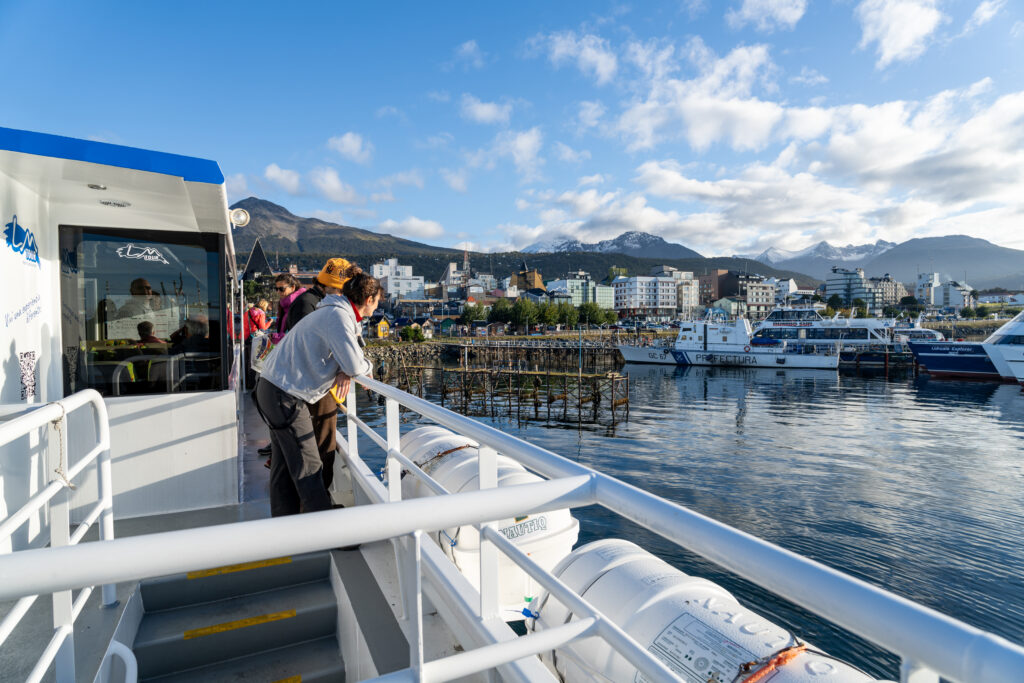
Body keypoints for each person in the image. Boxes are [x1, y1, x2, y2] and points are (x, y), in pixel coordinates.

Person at [255, 267, 381, 517]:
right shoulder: (338, 316)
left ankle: (284, 524)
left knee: (282, 467)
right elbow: (355, 364)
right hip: (285, 395)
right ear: (368, 300)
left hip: (272, 388)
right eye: (376, 303)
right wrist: (367, 366)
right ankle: (326, 529)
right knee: (309, 466)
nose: (376, 309)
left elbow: (345, 359)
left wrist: (347, 367)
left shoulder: (331, 311)